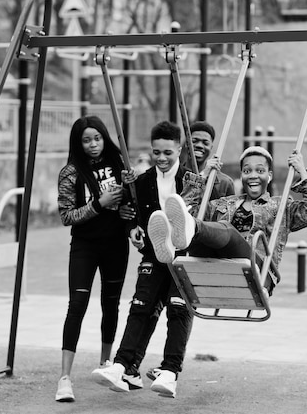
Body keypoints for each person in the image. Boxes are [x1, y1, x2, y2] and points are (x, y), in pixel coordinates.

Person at [91, 120, 193, 398]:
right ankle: (122, 365)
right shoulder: (142, 181)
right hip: (154, 253)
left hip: (184, 256)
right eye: (156, 152)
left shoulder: (192, 180)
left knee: (178, 309)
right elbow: (132, 216)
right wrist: (132, 229)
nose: (161, 158)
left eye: (168, 153)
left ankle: (171, 371)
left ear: (179, 150)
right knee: (139, 306)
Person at [129, 120, 236, 379]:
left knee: (178, 308)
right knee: (146, 306)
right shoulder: (181, 177)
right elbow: (146, 208)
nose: (199, 145)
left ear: (213, 147)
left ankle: (169, 368)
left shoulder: (221, 181)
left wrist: (207, 180)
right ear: (185, 145)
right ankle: (130, 365)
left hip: (192, 250)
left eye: (205, 142)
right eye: (194, 140)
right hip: (162, 251)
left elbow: (225, 219)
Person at [148, 146, 307, 294]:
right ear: (242, 176)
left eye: (260, 171)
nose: (253, 175)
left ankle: (186, 233)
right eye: (247, 171)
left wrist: (302, 172)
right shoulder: (224, 203)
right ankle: (172, 240)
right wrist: (203, 175)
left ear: (269, 176)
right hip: (219, 268)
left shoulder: (281, 205)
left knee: (226, 230)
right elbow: (184, 210)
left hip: (257, 271)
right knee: (195, 228)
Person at [55, 116, 134, 403]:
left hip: (115, 244)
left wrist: (128, 210)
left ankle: (105, 364)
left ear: (104, 138)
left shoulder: (119, 165)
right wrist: (98, 205)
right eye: (86, 140)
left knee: (110, 303)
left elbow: (132, 204)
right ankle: (65, 378)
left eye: (97, 138)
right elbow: (67, 216)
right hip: (85, 246)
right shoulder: (70, 173)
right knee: (77, 305)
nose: (93, 145)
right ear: (78, 143)